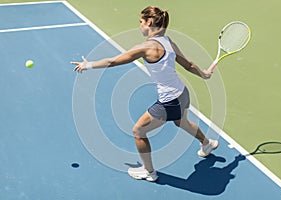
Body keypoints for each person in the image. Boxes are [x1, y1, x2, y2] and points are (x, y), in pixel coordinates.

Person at [71, 6, 218, 182]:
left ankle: (149, 171)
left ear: (149, 23)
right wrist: (204, 74)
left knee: (138, 131)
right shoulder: (168, 41)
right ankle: (207, 143)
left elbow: (113, 61)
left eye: (141, 22)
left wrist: (89, 65)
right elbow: (189, 65)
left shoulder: (146, 47)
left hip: (169, 101)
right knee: (181, 122)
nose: (140, 26)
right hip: (182, 93)